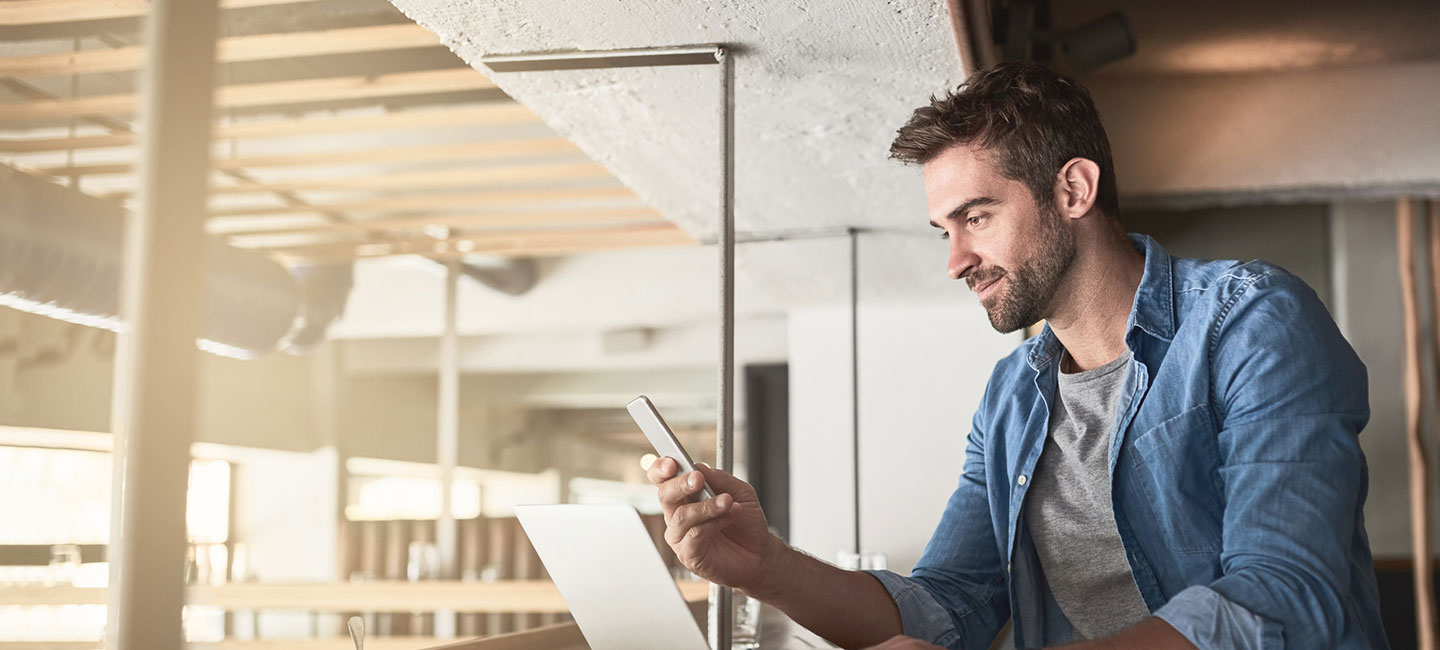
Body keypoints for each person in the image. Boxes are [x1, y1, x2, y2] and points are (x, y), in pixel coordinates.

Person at [647, 61, 1388, 650]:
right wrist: (764, 565)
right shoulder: (1012, 398)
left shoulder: (1250, 321)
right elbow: (947, 606)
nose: (956, 259)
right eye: (945, 229)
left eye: (977, 216)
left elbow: (1285, 598)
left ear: (1073, 189)